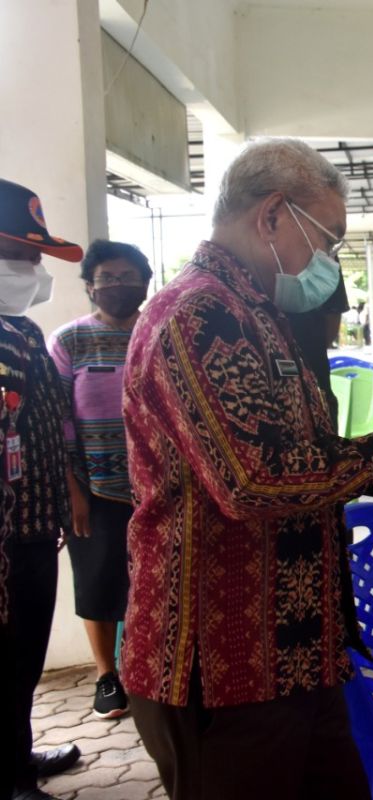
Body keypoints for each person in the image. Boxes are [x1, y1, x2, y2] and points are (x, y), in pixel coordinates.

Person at [121, 139, 373, 800]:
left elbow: (295, 453)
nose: (329, 261)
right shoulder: (198, 316)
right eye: (328, 238)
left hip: (296, 660)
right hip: (223, 670)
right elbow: (252, 480)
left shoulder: (257, 314)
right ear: (272, 215)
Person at [0, 178, 82, 800]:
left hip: (32, 527)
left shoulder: (21, 330)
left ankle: (19, 755)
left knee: (23, 654)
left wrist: (64, 499)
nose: (33, 269)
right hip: (4, 538)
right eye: (21, 256)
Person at [48, 240, 152, 721]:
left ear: (146, 282)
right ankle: (106, 676)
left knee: (152, 580)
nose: (117, 286)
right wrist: (72, 490)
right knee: (97, 580)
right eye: (106, 278)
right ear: (89, 285)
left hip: (160, 487)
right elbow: (57, 420)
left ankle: (146, 668)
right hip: (96, 488)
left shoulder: (160, 334)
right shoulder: (68, 341)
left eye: (128, 276)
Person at [285, 257, 351, 419]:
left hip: (317, 384)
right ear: (269, 229)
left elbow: (332, 319)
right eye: (328, 241)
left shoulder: (327, 262)